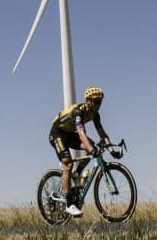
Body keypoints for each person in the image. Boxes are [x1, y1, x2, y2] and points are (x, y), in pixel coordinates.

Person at [48, 86, 119, 218]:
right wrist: (92, 150)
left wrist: (112, 150)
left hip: (69, 134)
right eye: (97, 101)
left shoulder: (95, 115)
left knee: (89, 148)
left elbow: (102, 134)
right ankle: (69, 204)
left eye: (100, 102)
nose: (99, 105)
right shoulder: (78, 112)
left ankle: (77, 174)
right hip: (57, 133)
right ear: (88, 102)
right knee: (68, 164)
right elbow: (81, 133)